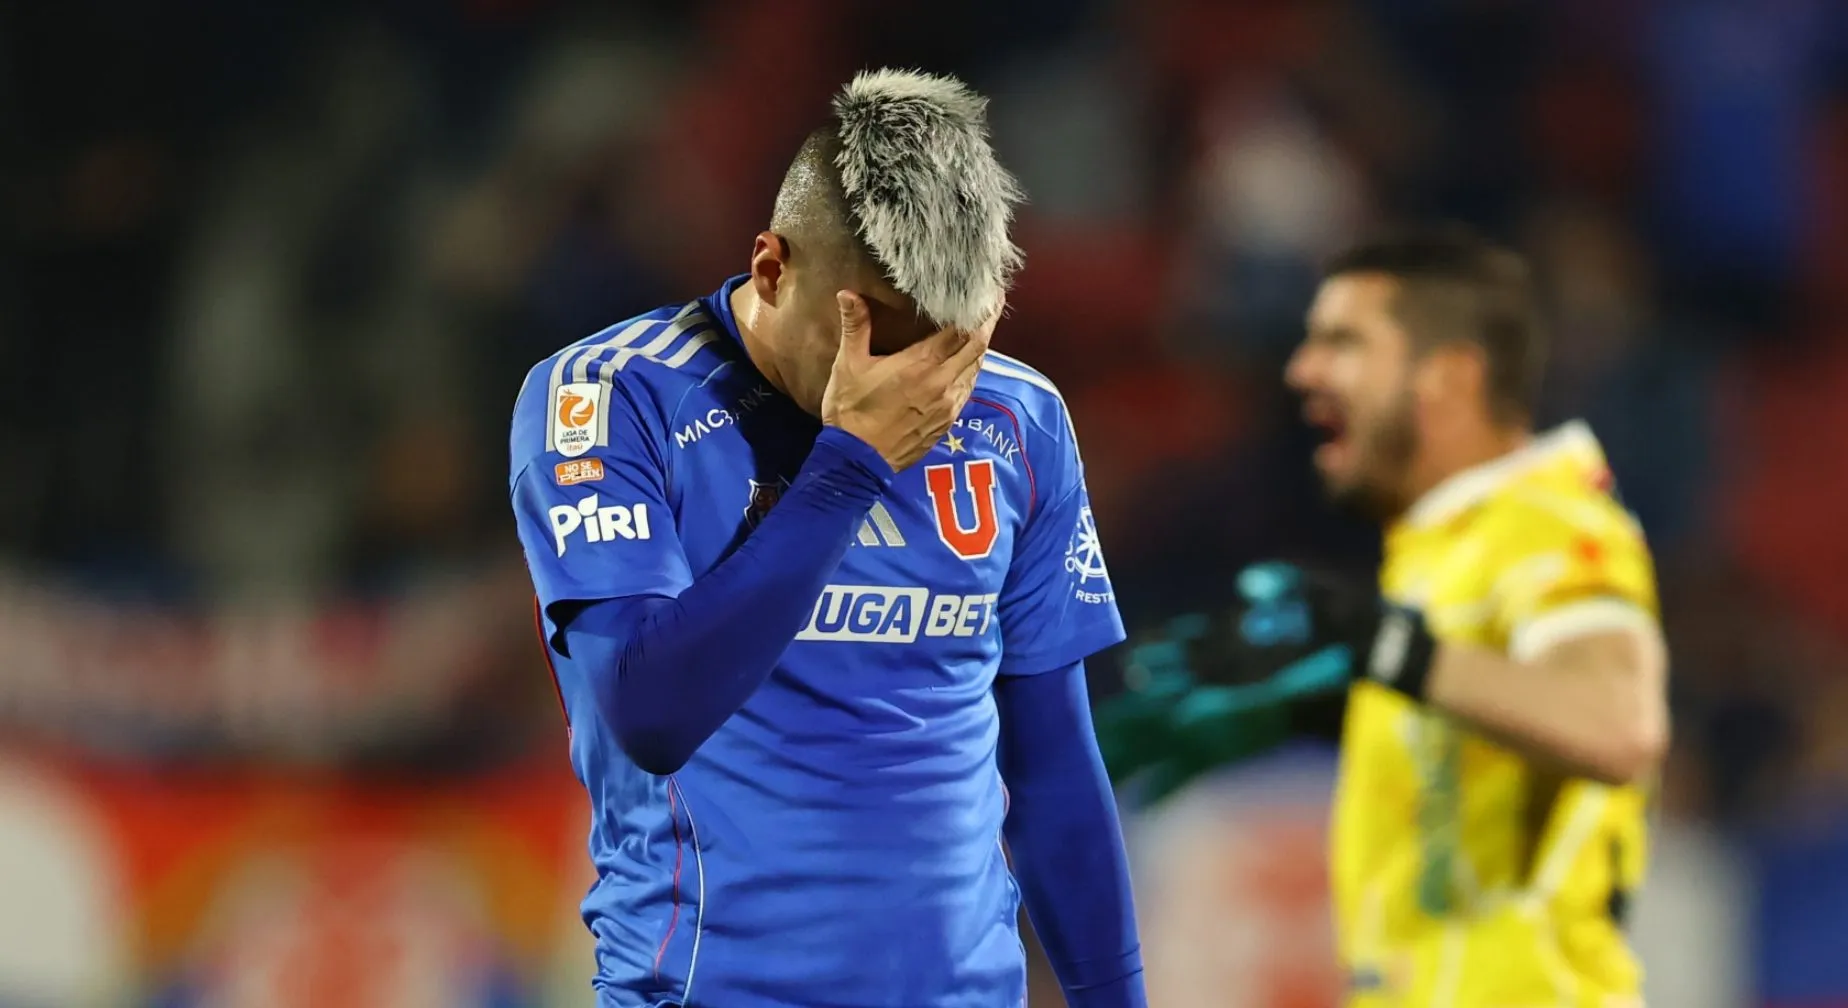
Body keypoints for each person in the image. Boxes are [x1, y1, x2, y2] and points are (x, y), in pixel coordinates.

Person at [509, 69, 1145, 1008]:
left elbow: (1054, 771)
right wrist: (849, 466)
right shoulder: (610, 398)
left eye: (949, 343)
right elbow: (649, 713)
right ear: (772, 268)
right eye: (878, 341)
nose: (915, 389)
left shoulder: (1019, 417)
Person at [1100, 228, 1668, 1007]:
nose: (1305, 372)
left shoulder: (1552, 530)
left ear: (1448, 378)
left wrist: (1380, 646)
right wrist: (1315, 704)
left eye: (1345, 344)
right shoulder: (1443, 551)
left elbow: (1618, 725)